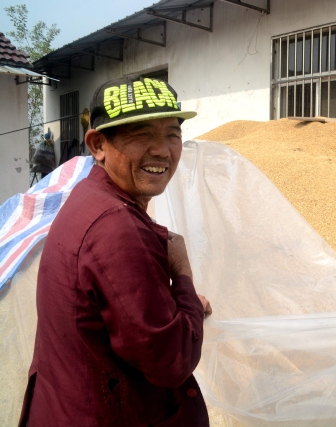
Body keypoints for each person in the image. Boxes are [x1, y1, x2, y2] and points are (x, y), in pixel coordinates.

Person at [19, 75, 212, 427]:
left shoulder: (91, 197)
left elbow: (123, 308)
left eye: (172, 133)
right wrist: (182, 274)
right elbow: (172, 361)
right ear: (97, 145)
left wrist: (181, 305)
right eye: (140, 135)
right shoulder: (116, 228)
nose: (162, 150)